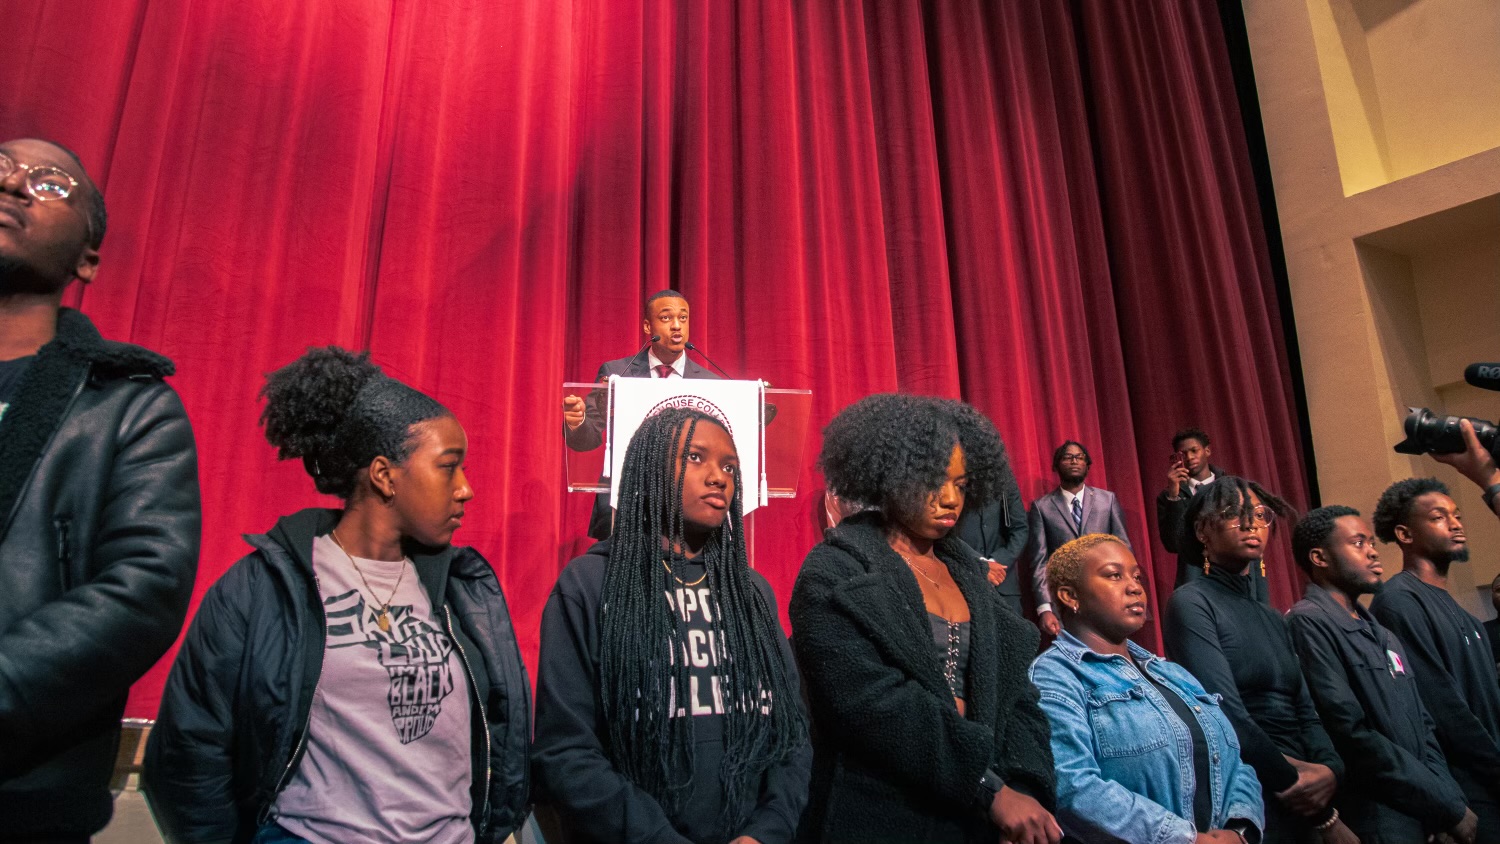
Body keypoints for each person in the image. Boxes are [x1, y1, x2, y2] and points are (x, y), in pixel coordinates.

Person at [143, 347, 530, 843]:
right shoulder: (259, 589)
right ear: (385, 475)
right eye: (448, 467)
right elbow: (189, 750)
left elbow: (499, 734)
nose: (466, 489)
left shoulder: (463, 590)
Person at [0, 138, 201, 840]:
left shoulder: (127, 407)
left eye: (49, 184)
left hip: (20, 796)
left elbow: (142, 587)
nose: (16, 186)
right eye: (0, 170)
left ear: (88, 257)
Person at [532, 406, 810, 844]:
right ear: (649, 468)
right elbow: (566, 751)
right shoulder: (589, 585)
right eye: (696, 458)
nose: (719, 476)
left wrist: (766, 832)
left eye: (729, 467)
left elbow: (790, 737)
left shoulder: (752, 593)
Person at [790, 394, 1060, 844]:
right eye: (934, 481)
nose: (952, 499)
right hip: (880, 813)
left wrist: (1024, 791)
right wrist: (988, 789)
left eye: (961, 483)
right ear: (889, 475)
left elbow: (1018, 699)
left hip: (982, 825)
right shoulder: (834, 571)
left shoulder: (970, 576)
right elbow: (871, 707)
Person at [1030, 534, 1263, 844]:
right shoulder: (1055, 676)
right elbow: (1073, 788)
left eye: (1137, 576)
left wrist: (1241, 831)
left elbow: (1237, 763)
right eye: (1115, 575)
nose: (1135, 586)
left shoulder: (1174, 673)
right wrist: (1187, 840)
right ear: (1070, 596)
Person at [1163, 477, 1356, 844]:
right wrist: (1320, 811)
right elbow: (1227, 716)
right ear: (1203, 530)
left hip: (1309, 784)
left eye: (1259, 514)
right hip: (1256, 790)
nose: (1251, 523)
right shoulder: (1190, 603)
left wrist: (1331, 770)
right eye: (1234, 513)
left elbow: (1306, 708)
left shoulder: (1270, 616)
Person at [1286, 506, 1477, 844]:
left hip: (1423, 811)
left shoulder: (1383, 633)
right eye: (1358, 543)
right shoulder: (1309, 621)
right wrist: (1443, 806)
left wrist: (1448, 802)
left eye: (1371, 542)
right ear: (1320, 557)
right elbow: (1351, 733)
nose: (1373, 551)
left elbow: (1424, 725)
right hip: (1376, 816)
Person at [1369, 478, 1500, 844]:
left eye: (1457, 516)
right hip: (1465, 790)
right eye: (1440, 517)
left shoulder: (1467, 616)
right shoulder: (1399, 601)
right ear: (1404, 534)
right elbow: (1440, 706)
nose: (1456, 524)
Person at [563, 289, 718, 539]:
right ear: (648, 326)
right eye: (666, 318)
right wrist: (578, 421)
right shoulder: (617, 372)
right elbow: (587, 438)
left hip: (687, 505)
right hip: (624, 501)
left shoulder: (711, 382)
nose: (677, 326)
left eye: (683, 318)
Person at [1021, 440, 1131, 637]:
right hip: (1065, 601)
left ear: (1087, 465)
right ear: (1056, 465)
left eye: (1079, 457)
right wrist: (1044, 608)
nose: (1074, 461)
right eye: (1067, 457)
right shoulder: (1041, 507)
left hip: (1107, 594)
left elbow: (1123, 550)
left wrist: (1126, 589)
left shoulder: (1108, 501)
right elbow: (1039, 561)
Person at [1157, 428, 1269, 600]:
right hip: (1195, 575)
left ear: (1207, 451)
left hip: (1239, 573)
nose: (1189, 457)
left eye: (1194, 450)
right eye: (1183, 454)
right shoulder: (1170, 495)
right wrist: (1174, 495)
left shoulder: (1234, 489)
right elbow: (1173, 544)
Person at [953, 452, 1028, 617]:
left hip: (1003, 584)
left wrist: (997, 561)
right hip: (962, 582)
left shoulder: (1004, 481)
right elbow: (944, 534)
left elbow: (1020, 529)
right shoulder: (951, 481)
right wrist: (980, 564)